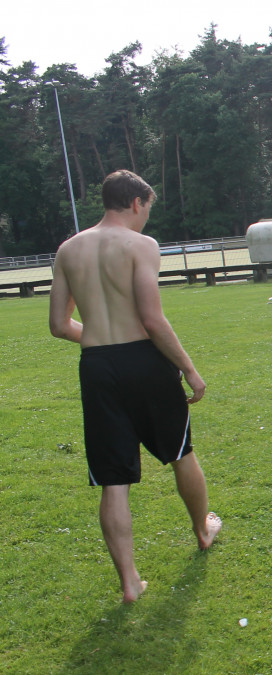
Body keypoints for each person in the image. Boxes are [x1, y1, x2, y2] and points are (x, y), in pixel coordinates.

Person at [48, 170, 222, 602]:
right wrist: (189, 370)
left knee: (113, 479)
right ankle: (203, 531)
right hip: (143, 361)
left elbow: (56, 324)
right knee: (180, 451)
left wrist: (96, 337)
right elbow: (151, 319)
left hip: (97, 365)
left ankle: (130, 583)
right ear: (137, 203)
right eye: (149, 209)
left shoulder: (69, 249)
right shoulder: (140, 246)